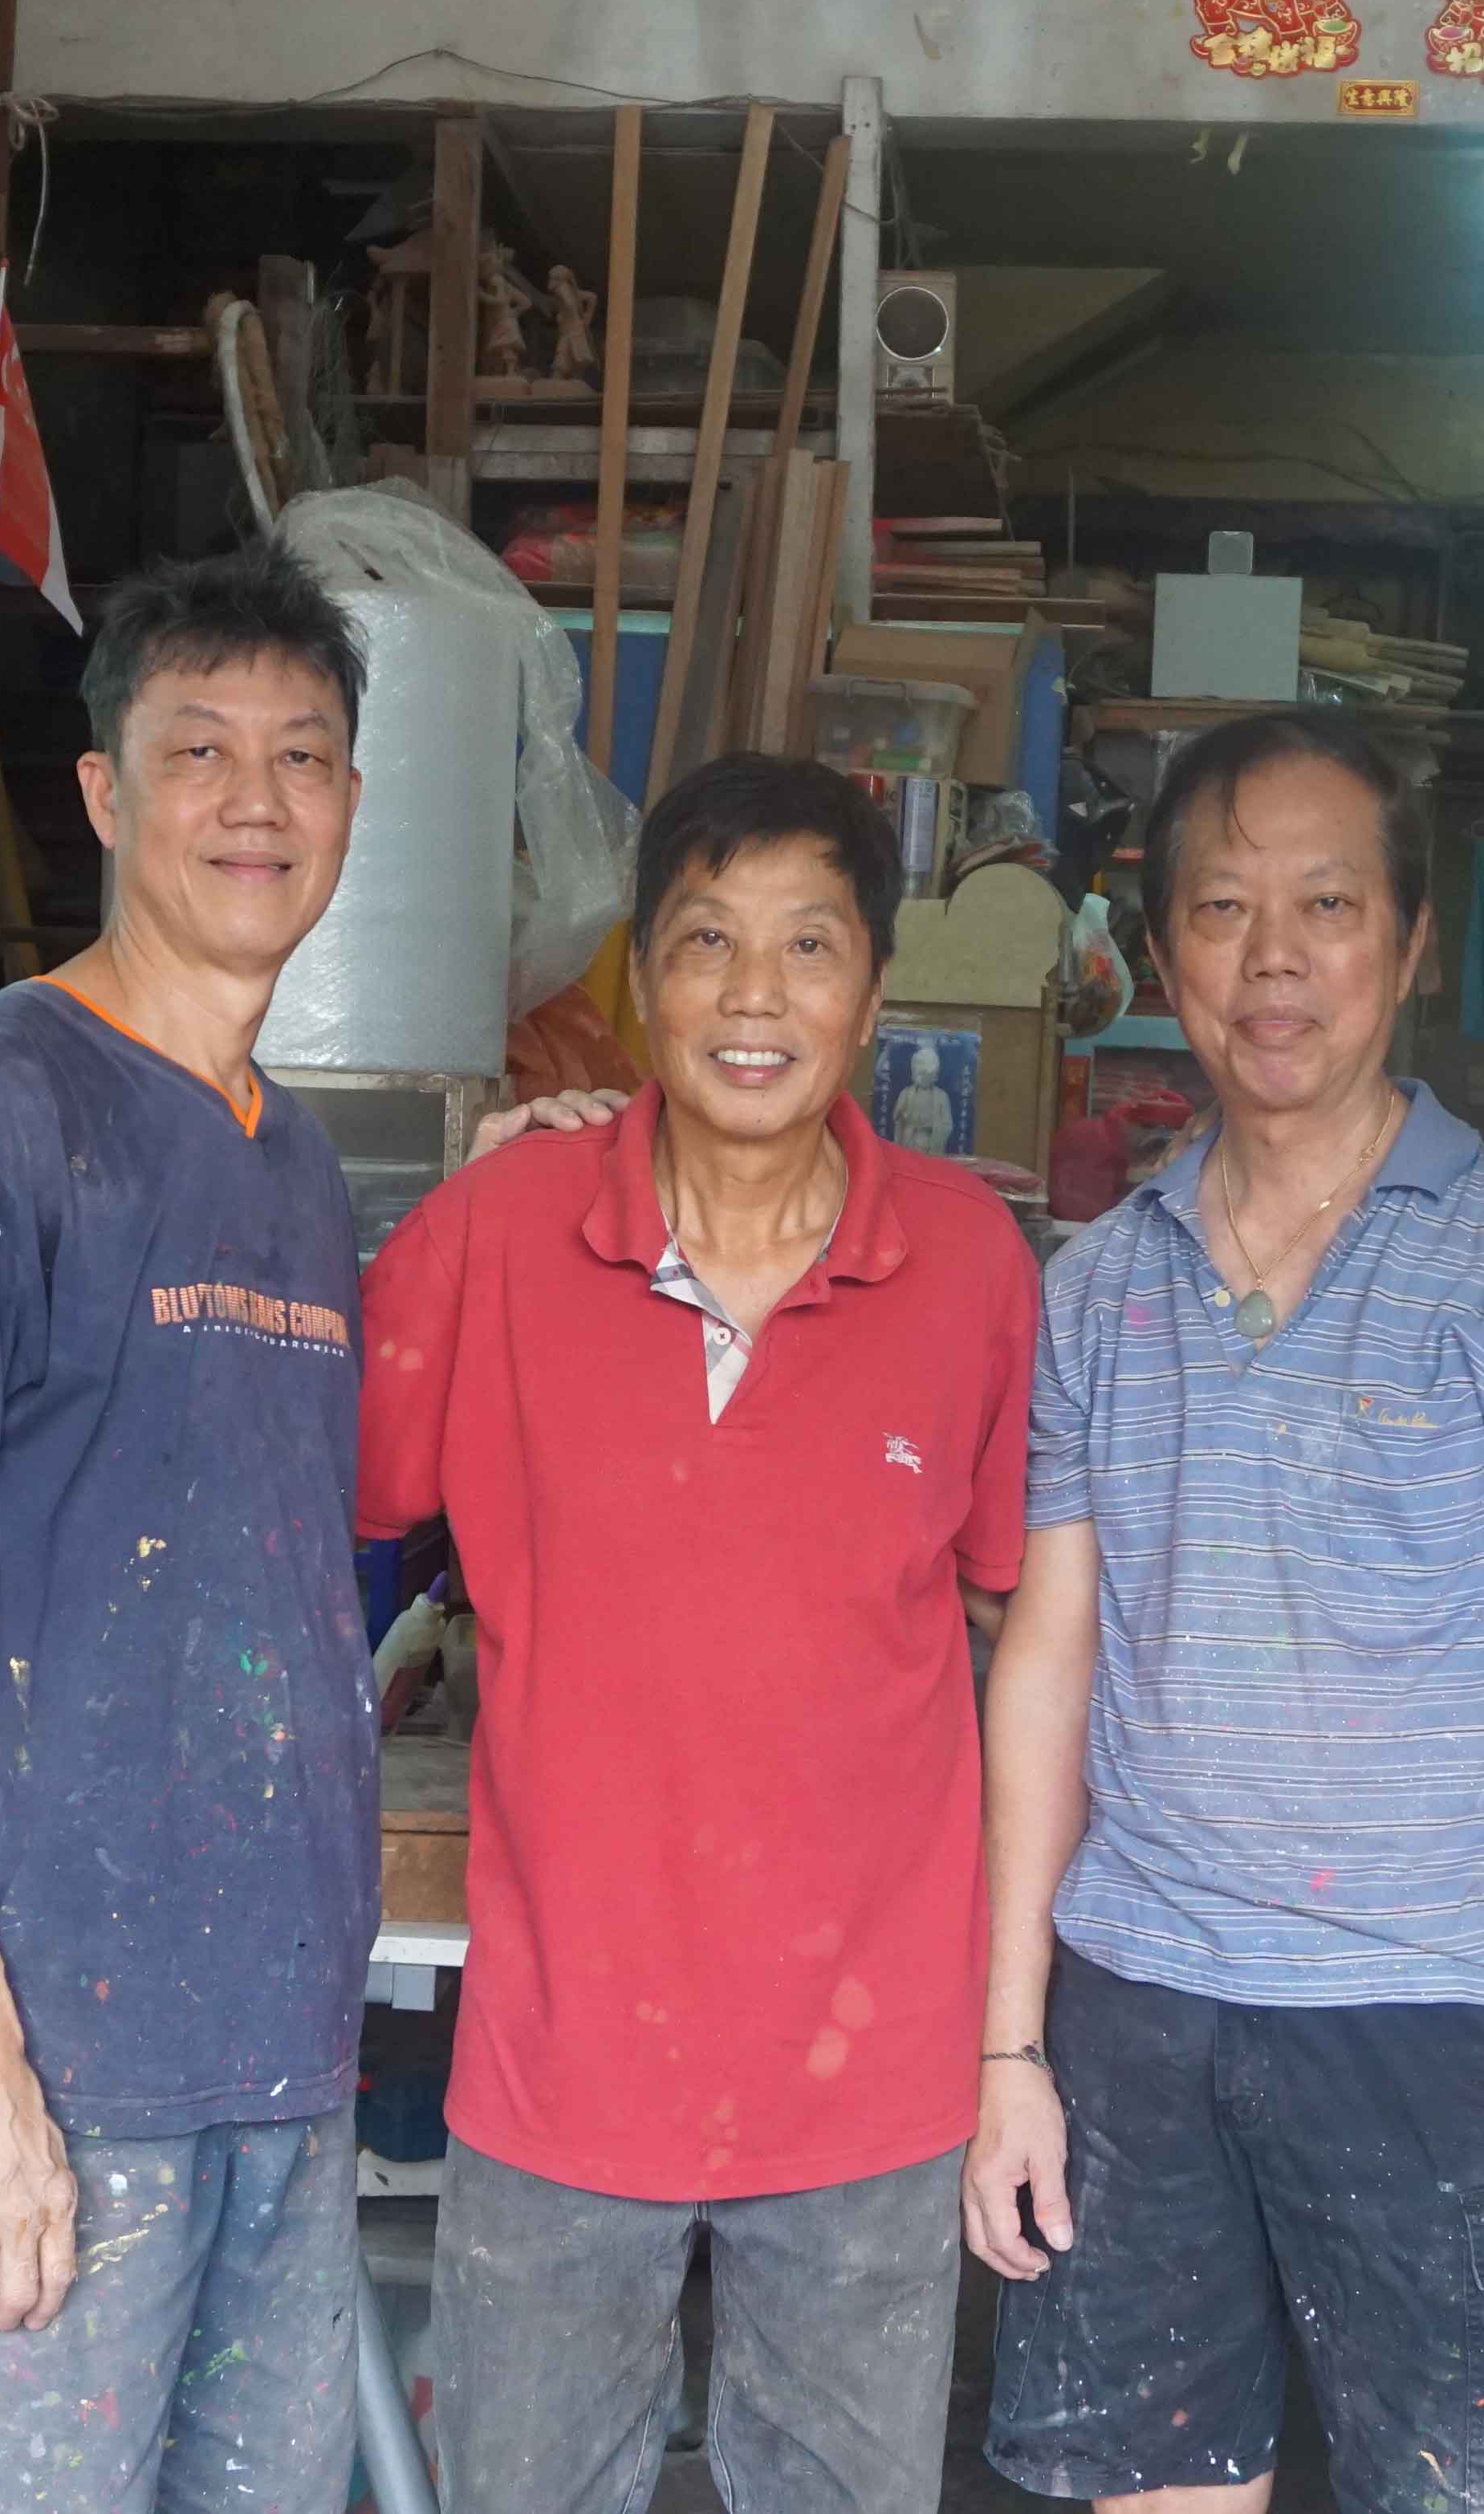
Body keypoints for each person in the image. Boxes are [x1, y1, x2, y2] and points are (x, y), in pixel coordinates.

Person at [357, 751, 1039, 2514]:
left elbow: (1010, 1617)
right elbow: (320, 1510)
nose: (755, 995)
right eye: (706, 940)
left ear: (874, 991)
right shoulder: (499, 1232)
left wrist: (1007, 2040)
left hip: (866, 2080)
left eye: (808, 946)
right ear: (640, 982)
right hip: (563, 2057)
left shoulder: (970, 1266)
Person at [969, 709, 1484, 2514]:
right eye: (1222, 907)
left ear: (1413, 944)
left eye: (1327, 905)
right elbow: (1050, 1657)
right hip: (1140, 2003)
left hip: (1442, 2020)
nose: (1274, 961)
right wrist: (1010, 2040)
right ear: (1156, 946)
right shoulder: (1098, 1284)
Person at [0, 543, 378, 2513]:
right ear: (106, 795)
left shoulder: (289, 1159)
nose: (256, 799)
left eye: (303, 755)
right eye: (197, 749)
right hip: (37, 2060)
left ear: (354, 805)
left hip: (266, 2046)